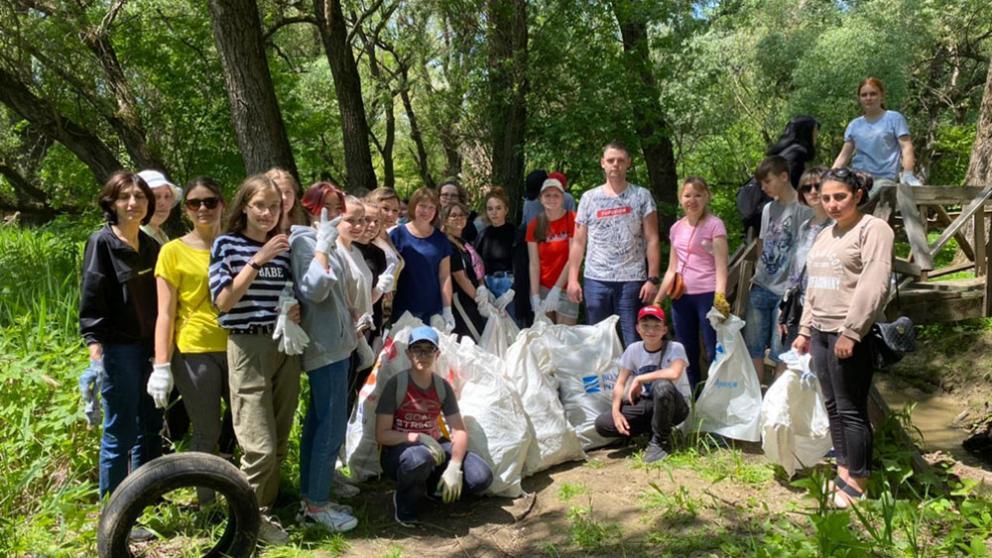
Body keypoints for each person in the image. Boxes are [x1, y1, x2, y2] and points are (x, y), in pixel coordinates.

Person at [793, 169, 893, 508]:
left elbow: (874, 282)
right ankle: (843, 470)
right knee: (833, 406)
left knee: (852, 409)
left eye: (840, 197)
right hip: (820, 331)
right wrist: (805, 329)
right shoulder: (825, 234)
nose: (833, 204)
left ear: (858, 195)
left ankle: (860, 481)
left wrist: (852, 330)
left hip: (849, 333)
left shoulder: (873, 229)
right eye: (826, 198)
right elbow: (813, 286)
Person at [209, 174, 300, 544]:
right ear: (244, 206)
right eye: (260, 205)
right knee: (258, 445)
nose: (267, 213)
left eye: (274, 206)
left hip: (284, 344)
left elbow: (289, 291)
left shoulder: (287, 247)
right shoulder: (227, 245)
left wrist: (294, 310)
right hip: (248, 347)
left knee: (278, 440)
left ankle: (266, 510)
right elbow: (223, 301)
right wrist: (258, 260)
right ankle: (249, 522)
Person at [150, 177, 235, 504]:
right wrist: (161, 365)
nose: (203, 208)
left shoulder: (234, 244)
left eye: (210, 201)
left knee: (245, 427)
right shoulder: (172, 251)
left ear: (222, 205)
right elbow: (166, 314)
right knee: (206, 431)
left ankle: (244, 497)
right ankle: (207, 503)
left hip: (239, 348)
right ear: (185, 210)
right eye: (194, 203)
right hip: (194, 351)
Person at [80, 171, 162, 504]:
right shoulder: (102, 242)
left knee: (150, 426)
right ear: (111, 203)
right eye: (124, 197)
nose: (132, 203)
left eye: (140, 197)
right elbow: (91, 296)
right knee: (120, 429)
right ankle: (114, 509)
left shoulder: (151, 245)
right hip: (118, 348)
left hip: (150, 348)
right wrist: (95, 347)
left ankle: (145, 499)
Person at [289, 181, 360, 532]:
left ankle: (313, 496)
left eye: (338, 205)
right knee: (329, 427)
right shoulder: (304, 242)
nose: (333, 212)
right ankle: (316, 508)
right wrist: (321, 247)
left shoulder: (327, 241)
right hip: (324, 348)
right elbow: (314, 291)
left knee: (320, 423)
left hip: (340, 344)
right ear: (311, 206)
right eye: (326, 205)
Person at [375, 326, 493, 526]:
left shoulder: (441, 386)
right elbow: (381, 434)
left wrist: (455, 466)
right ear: (408, 353)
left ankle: (431, 488)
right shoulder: (396, 385)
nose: (422, 355)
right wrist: (416, 437)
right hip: (400, 451)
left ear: (437, 354)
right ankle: (405, 504)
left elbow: (459, 429)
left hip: (436, 445)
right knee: (419, 458)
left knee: (481, 476)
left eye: (428, 349)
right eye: (417, 349)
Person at [567, 141, 661, 347]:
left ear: (628, 163)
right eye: (610, 160)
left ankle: (635, 379)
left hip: (631, 279)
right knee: (598, 340)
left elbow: (652, 238)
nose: (615, 165)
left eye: (620, 160)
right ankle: (604, 379)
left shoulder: (641, 196)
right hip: (596, 280)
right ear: (603, 163)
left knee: (633, 340)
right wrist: (572, 279)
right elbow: (578, 242)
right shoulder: (589, 198)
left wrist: (653, 279)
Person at [652, 177, 729, 391]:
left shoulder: (715, 225)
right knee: (686, 351)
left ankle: (717, 398)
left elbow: (722, 266)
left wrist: (720, 298)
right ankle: (692, 399)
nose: (692, 200)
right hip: (681, 297)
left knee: (714, 350)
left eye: (697, 195)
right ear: (680, 199)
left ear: (706, 197)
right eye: (687, 195)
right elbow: (671, 269)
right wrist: (658, 301)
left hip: (707, 296)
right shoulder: (676, 228)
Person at [742, 155, 813, 381]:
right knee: (753, 346)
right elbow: (762, 242)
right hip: (761, 285)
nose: (763, 188)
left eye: (767, 182)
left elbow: (807, 251)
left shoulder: (804, 209)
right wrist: (757, 273)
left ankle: (774, 406)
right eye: (761, 183)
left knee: (780, 351)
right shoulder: (768, 209)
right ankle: (756, 402)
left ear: (784, 177)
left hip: (786, 293)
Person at [593, 306, 690, 463]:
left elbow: (674, 373)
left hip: (675, 406)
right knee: (603, 424)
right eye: (645, 326)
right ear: (638, 328)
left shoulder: (675, 348)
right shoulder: (633, 349)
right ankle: (651, 431)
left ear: (664, 330)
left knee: (662, 386)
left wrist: (640, 378)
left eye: (656, 326)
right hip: (647, 403)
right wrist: (616, 411)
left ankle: (661, 442)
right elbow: (620, 383)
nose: (651, 331)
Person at [779, 167, 833, 347]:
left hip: (825, 305)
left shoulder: (837, 226)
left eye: (818, 186)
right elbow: (795, 268)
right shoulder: (804, 226)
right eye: (806, 188)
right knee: (791, 359)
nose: (813, 192)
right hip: (799, 304)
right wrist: (785, 305)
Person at [832, 77, 921, 186]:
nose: (868, 98)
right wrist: (829, 176)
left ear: (882, 97)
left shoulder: (894, 118)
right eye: (864, 95)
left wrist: (908, 173)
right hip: (858, 180)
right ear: (859, 99)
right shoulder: (854, 125)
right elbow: (844, 156)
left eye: (873, 94)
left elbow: (906, 147)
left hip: (885, 180)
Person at [389, 187, 454, 330]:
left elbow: (445, 276)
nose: (427, 211)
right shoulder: (397, 235)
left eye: (432, 207)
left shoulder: (441, 239)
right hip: (404, 308)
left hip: (433, 310)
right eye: (422, 206)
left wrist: (447, 309)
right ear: (413, 206)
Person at [526, 177, 578, 325]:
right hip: (542, 287)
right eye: (547, 195)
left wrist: (557, 289)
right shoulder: (535, 224)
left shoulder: (573, 219)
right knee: (546, 338)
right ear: (541, 199)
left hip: (567, 287)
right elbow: (534, 263)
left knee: (565, 338)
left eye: (556, 195)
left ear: (563, 198)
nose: (552, 199)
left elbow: (573, 258)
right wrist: (535, 295)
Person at [442, 202, 487, 341]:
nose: (458, 218)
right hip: (460, 301)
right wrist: (481, 301)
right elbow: (460, 278)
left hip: (472, 298)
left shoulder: (463, 242)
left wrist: (482, 289)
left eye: (461, 215)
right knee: (472, 340)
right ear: (445, 219)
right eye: (453, 215)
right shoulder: (448, 245)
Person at [474, 187, 517, 319]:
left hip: (509, 284)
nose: (494, 213)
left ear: (506, 210)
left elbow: (523, 265)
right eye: (490, 209)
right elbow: (476, 264)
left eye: (498, 208)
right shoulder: (483, 235)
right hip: (489, 284)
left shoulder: (515, 233)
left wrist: (512, 291)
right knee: (490, 329)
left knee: (511, 328)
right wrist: (483, 287)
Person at [137, 169, 182, 245]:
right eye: (156, 197)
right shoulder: (136, 237)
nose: (163, 203)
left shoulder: (160, 235)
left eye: (167, 196)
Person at [267, 168, 308, 233]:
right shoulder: (262, 227)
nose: (284, 197)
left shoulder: (305, 219)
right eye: (278, 192)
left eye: (288, 192)